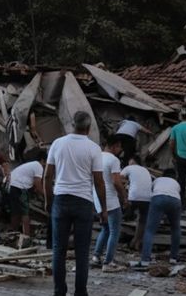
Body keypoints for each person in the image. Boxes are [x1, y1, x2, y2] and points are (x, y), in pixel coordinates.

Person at [44, 111, 107, 296]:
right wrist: (103, 209)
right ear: (88, 128)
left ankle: (59, 291)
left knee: (58, 250)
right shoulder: (94, 148)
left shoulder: (58, 143)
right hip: (83, 202)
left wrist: (49, 201)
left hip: (61, 199)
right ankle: (80, 292)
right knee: (82, 252)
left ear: (72, 125)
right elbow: (99, 181)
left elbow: (47, 175)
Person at [132, 168, 182, 268]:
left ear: (163, 175)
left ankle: (145, 260)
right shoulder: (176, 183)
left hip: (158, 198)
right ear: (175, 176)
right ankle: (173, 258)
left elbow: (151, 193)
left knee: (150, 230)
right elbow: (173, 196)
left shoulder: (157, 180)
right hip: (175, 200)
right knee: (176, 228)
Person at [92, 136, 128, 272]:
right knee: (114, 231)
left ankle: (96, 256)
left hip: (97, 198)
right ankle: (108, 262)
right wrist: (124, 197)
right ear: (114, 146)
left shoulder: (96, 157)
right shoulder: (113, 160)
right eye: (119, 147)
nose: (120, 150)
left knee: (105, 229)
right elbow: (116, 182)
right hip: (110, 199)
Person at [9, 151, 46, 236]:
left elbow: (35, 184)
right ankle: (26, 235)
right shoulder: (38, 166)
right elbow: (38, 184)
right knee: (25, 212)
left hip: (12, 185)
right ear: (43, 160)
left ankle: (13, 232)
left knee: (15, 211)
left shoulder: (32, 165)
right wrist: (46, 196)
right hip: (19, 186)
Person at [120, 155, 153, 252]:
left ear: (133, 162)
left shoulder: (129, 167)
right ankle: (136, 242)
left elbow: (118, 179)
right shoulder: (146, 170)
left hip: (133, 196)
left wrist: (124, 190)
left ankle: (117, 236)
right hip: (147, 198)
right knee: (142, 221)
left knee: (123, 215)